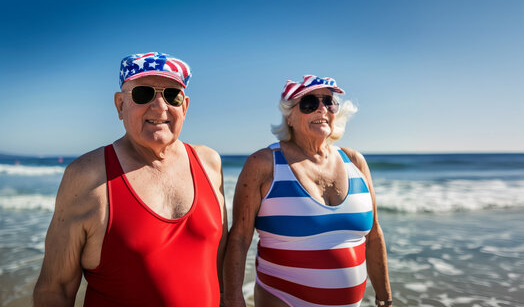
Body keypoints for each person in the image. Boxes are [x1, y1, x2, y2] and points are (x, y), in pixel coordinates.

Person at [33, 52, 228, 306]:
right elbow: (54, 290)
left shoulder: (209, 163)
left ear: (185, 106)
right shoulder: (87, 176)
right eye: (143, 94)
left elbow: (220, 269)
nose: (160, 107)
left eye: (172, 95)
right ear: (120, 105)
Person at [224, 75, 392, 307]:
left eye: (329, 102)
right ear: (289, 116)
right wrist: (232, 299)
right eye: (309, 103)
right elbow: (240, 238)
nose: (322, 108)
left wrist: (385, 299)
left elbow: (374, 236)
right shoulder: (264, 163)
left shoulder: (355, 161)